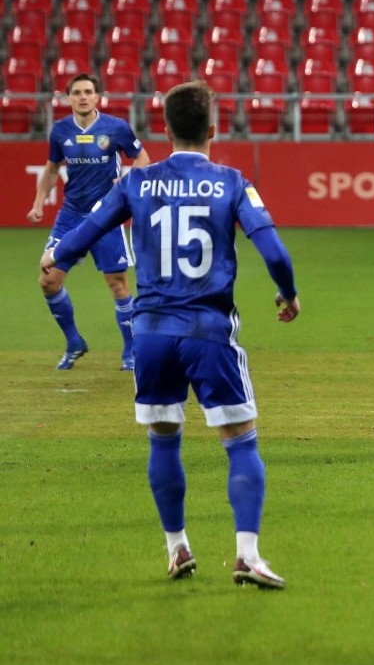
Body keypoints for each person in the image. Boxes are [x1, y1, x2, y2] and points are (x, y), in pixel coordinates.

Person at [39, 80, 300, 587]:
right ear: (212, 128)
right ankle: (246, 554)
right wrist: (287, 293)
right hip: (208, 330)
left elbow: (88, 231)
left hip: (152, 333)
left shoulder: (138, 183)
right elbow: (274, 252)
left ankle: (177, 547)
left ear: (165, 129)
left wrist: (57, 255)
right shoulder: (232, 180)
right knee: (241, 441)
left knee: (163, 441)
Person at [27, 73, 151, 371]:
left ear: (97, 97)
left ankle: (131, 352)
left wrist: (126, 187)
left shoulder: (116, 128)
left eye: (88, 92)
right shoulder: (60, 131)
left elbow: (142, 158)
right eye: (77, 92)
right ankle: (74, 342)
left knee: (117, 284)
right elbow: (52, 167)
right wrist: (37, 203)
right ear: (68, 98)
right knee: (48, 280)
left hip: (107, 215)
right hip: (71, 214)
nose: (83, 97)